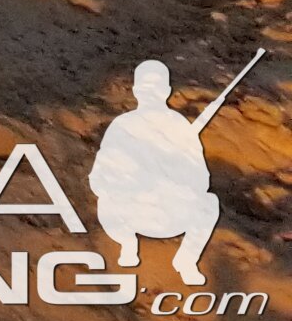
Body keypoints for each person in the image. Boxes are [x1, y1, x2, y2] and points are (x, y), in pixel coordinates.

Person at [91, 60, 225, 284]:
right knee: (105, 202)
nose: (151, 92)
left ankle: (186, 260)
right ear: (136, 91)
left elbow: (201, 180)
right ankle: (127, 243)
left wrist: (173, 181)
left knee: (209, 203)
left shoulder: (180, 128)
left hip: (170, 214)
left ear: (166, 91)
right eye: (145, 87)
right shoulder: (122, 125)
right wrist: (128, 185)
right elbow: (99, 178)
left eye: (156, 87)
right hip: (129, 213)